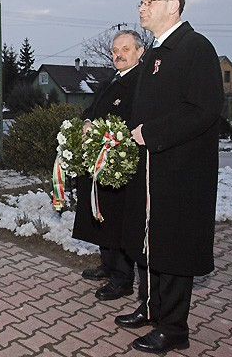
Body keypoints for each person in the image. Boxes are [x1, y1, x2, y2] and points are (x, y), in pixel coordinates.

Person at [116, 0, 224, 354]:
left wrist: (152, 133)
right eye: (141, 1)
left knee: (174, 247)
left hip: (180, 171)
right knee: (149, 241)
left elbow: (204, 108)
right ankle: (151, 307)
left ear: (173, 5)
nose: (141, 7)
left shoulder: (196, 47)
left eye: (150, 1)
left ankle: (174, 327)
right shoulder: (154, 54)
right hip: (151, 168)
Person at [72, 30, 144, 300]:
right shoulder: (109, 81)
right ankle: (107, 264)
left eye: (125, 49)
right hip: (99, 161)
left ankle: (122, 278)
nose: (118, 54)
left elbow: (135, 119)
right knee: (101, 214)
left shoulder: (141, 82)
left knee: (120, 221)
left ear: (140, 52)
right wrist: (86, 122)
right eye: (115, 50)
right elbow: (92, 110)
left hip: (120, 162)